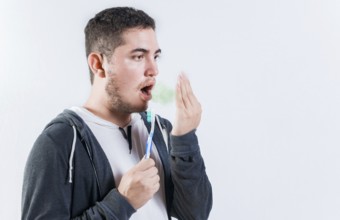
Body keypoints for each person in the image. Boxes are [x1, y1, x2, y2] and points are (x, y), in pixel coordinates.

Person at [21, 6, 212, 220]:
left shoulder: (161, 130)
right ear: (98, 64)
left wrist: (184, 139)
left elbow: (195, 214)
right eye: (138, 57)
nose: (153, 70)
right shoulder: (61, 142)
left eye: (155, 57)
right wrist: (123, 202)